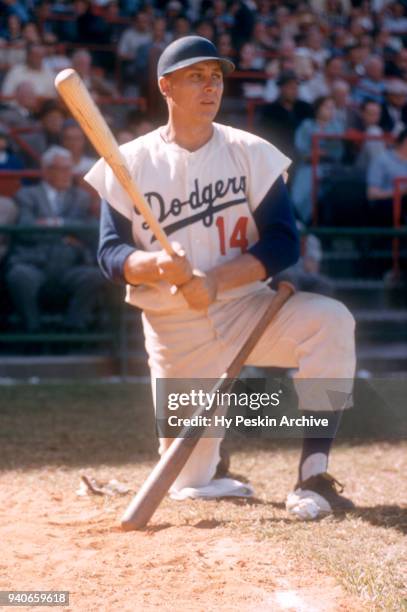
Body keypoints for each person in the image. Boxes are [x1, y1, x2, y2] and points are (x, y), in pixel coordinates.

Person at [86, 36, 356, 520]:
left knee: (331, 321)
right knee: (190, 482)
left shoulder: (251, 152)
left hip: (246, 309)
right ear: (165, 86)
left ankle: (313, 473)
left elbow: (281, 242)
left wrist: (215, 280)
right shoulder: (129, 161)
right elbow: (110, 253)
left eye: (216, 76)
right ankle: (213, 450)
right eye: (196, 76)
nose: (210, 86)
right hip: (174, 326)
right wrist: (155, 267)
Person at [6, 146, 104, 332]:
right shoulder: (27, 195)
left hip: (70, 264)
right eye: (62, 169)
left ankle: (73, 331)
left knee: (93, 276)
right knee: (19, 275)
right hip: (35, 262)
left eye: (70, 169)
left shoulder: (81, 197)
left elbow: (88, 229)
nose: (68, 174)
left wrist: (54, 223)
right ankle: (33, 331)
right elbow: (26, 228)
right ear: (46, 171)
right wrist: (66, 233)